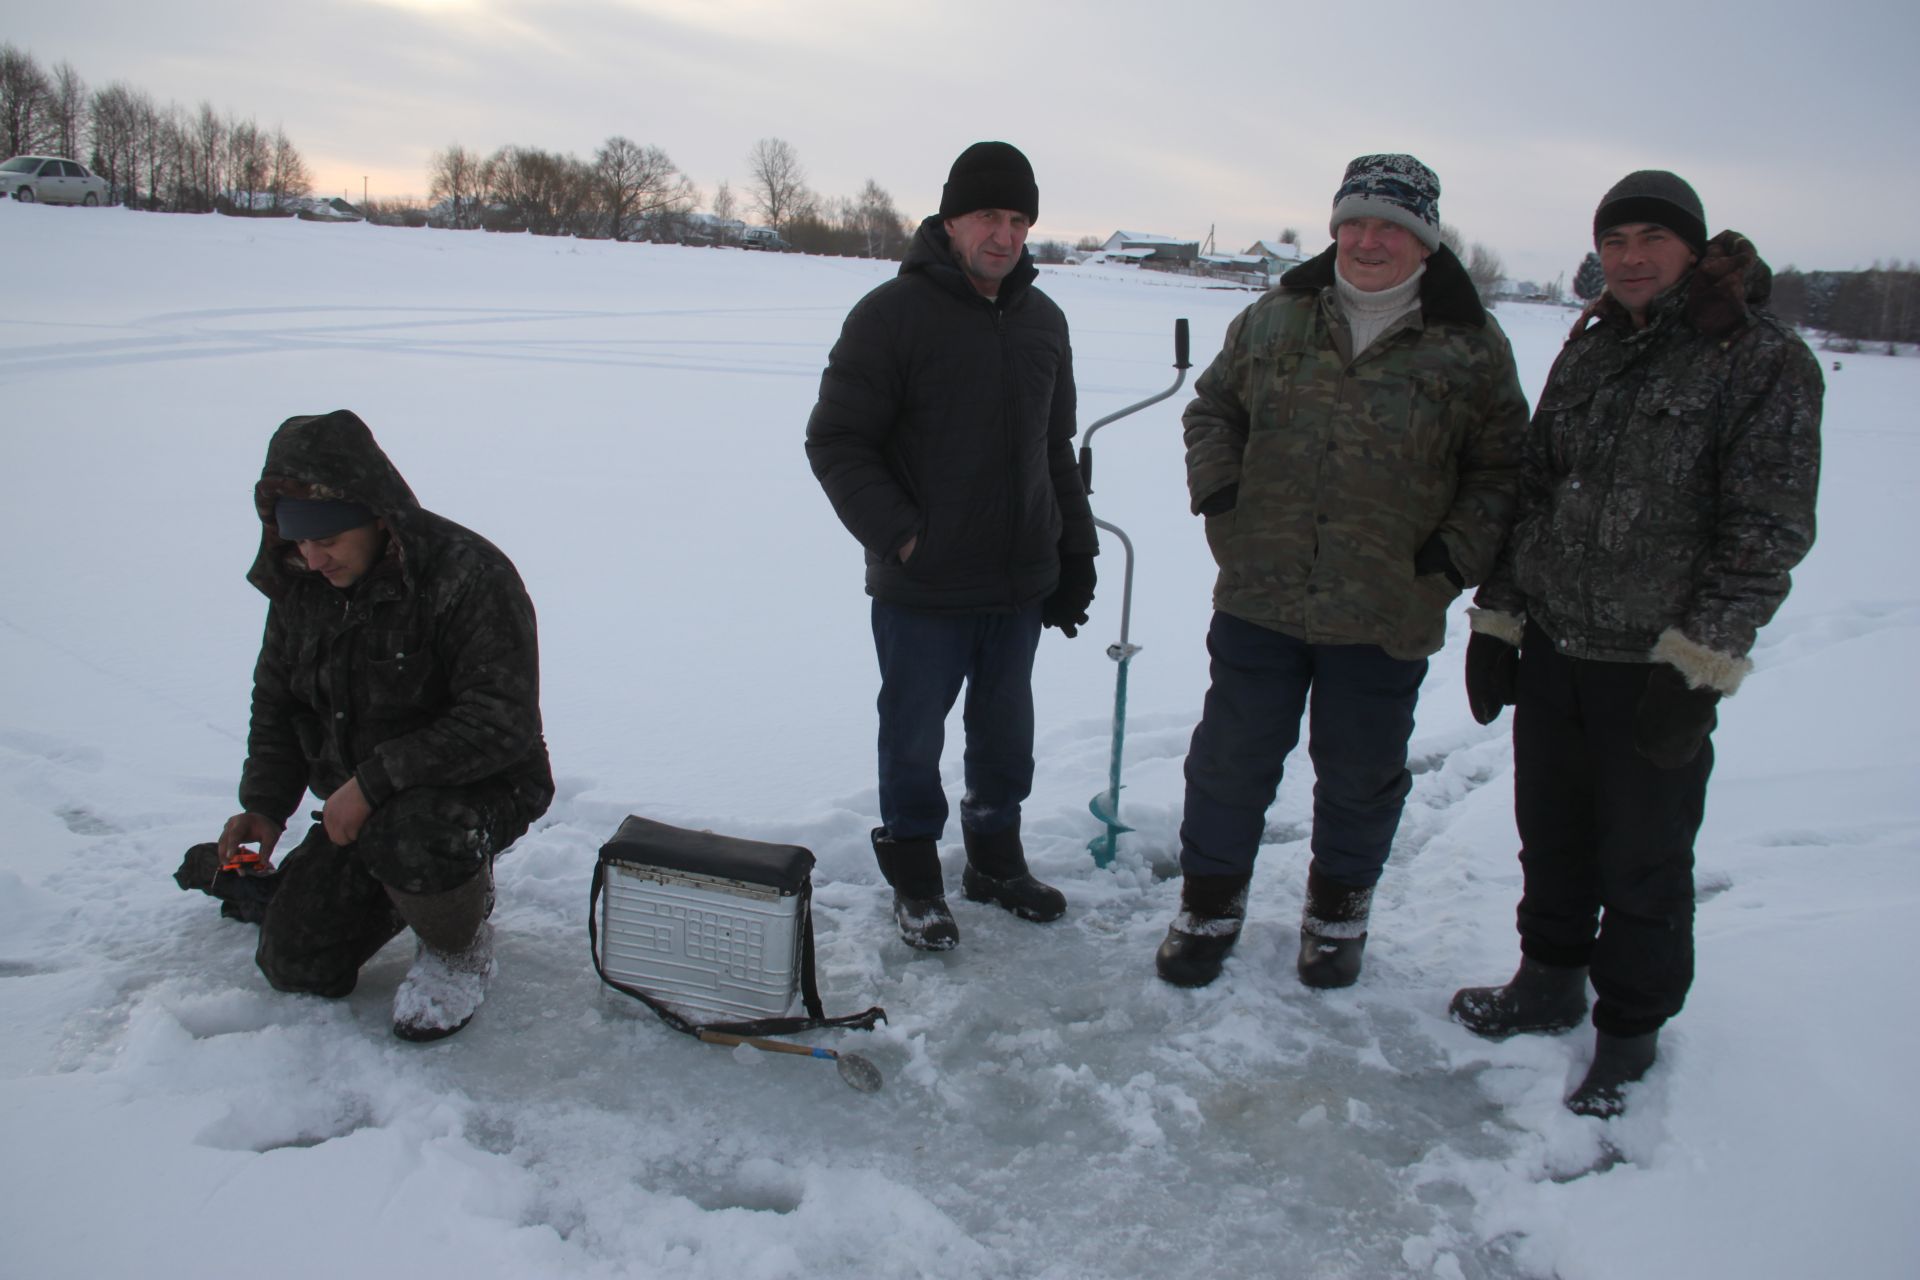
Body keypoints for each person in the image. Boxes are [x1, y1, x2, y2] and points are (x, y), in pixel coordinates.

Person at [1451, 171, 1822, 1116]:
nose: (1630, 257)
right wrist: (1499, 618)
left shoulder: (1760, 360)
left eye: (1653, 238)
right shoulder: (1588, 348)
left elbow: (1766, 530)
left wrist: (1700, 664)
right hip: (1557, 647)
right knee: (1554, 835)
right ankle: (1548, 982)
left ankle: (1629, 1030)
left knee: (1646, 858)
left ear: (1694, 248)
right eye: (1614, 241)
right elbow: (1537, 492)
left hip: (1654, 666)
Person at [1159, 154, 1528, 990]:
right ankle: (1208, 907)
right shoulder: (1276, 316)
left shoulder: (1470, 346)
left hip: (1388, 606)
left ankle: (1337, 918)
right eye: (1355, 222)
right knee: (1229, 761)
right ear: (1334, 230)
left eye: (1390, 225)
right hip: (1262, 590)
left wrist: (1447, 562)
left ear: (1424, 241)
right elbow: (1213, 407)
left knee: (1361, 775)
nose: (1368, 240)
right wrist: (1221, 497)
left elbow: (1503, 471)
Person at [175, 409, 554, 1041]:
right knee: (296, 963)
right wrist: (265, 806)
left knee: (417, 834)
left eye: (328, 538)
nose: (312, 557)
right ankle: (397, 885)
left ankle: (458, 942)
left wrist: (374, 783)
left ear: (377, 513)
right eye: (298, 540)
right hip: (366, 804)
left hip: (479, 787)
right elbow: (278, 702)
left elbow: (499, 721)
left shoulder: (467, 575)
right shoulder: (303, 585)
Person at [806, 141, 1097, 950]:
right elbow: (835, 442)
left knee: (1005, 740)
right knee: (913, 741)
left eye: (1018, 219)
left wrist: (1074, 553)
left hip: (1018, 585)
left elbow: (1053, 447)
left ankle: (994, 865)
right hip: (925, 586)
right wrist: (903, 536)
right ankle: (917, 882)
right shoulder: (891, 315)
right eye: (987, 217)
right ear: (949, 220)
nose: (1004, 235)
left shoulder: (1044, 320)